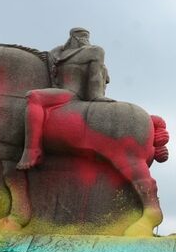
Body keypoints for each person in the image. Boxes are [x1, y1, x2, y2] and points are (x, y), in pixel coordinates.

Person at [17, 27, 112, 169]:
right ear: (72, 37)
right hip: (57, 91)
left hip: (72, 93)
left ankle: (32, 150)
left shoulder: (94, 51)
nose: (84, 39)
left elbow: (95, 76)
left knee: (34, 96)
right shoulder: (57, 53)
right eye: (81, 36)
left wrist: (96, 96)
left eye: (86, 36)